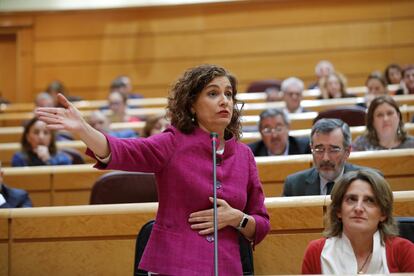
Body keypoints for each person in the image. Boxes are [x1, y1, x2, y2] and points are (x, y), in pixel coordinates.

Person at [35, 64, 270, 275]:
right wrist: (83, 129)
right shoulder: (172, 143)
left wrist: (238, 219)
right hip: (175, 265)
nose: (224, 101)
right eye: (213, 93)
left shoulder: (244, 156)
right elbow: (120, 151)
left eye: (229, 94)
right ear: (191, 104)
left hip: (227, 268)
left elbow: (261, 223)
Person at [302, 169, 414, 274]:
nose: (358, 208)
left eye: (369, 201)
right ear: (339, 210)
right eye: (351, 199)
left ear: (383, 214)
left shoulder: (404, 251)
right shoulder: (316, 252)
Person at [282, 118, 368, 196]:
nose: (325, 158)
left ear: (347, 151)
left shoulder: (367, 182)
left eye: (333, 150)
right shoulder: (294, 185)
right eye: (319, 149)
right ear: (311, 149)